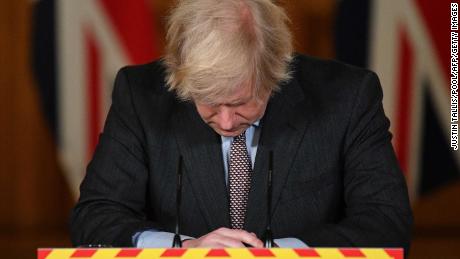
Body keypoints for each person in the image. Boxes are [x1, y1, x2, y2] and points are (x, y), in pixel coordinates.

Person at [70, 0, 413, 251]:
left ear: (274, 70)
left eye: (238, 103)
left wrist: (280, 253)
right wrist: (182, 249)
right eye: (207, 102)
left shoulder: (348, 98)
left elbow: (386, 223)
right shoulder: (141, 96)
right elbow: (96, 217)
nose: (225, 121)